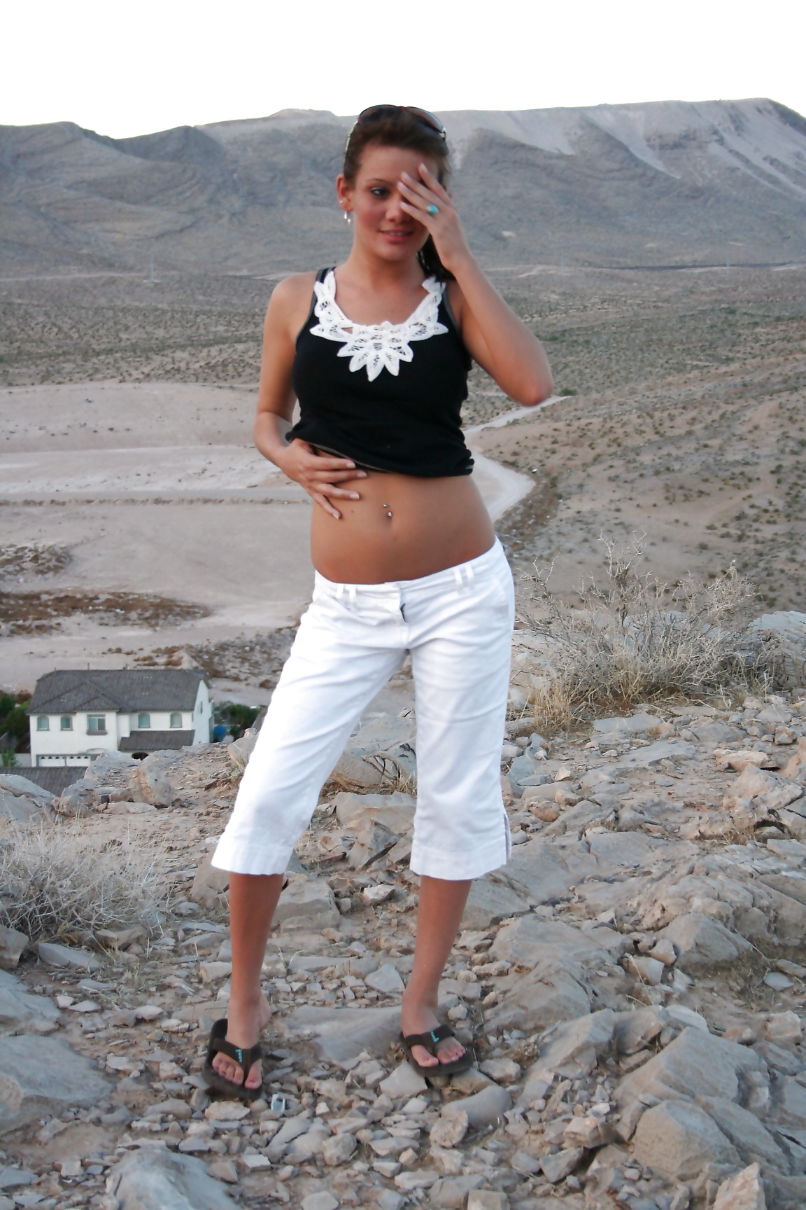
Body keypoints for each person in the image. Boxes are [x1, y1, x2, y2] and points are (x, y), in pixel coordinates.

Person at [203, 104, 553, 1099]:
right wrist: (286, 459)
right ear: (344, 193)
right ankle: (243, 1004)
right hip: (345, 606)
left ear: (440, 199)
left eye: (419, 192)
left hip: (461, 591)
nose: (396, 209)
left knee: (455, 793)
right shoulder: (296, 298)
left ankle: (420, 1002)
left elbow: (532, 385)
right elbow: (266, 415)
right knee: (270, 789)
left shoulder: (451, 298)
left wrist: (460, 252)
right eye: (379, 189)